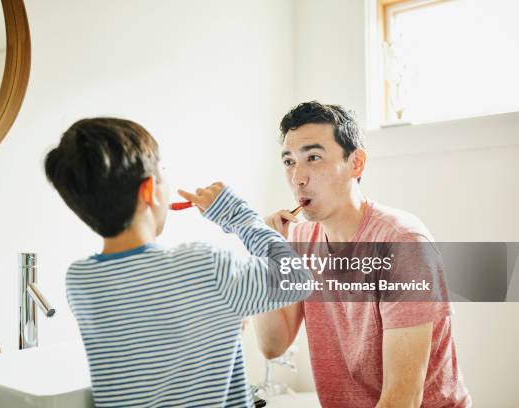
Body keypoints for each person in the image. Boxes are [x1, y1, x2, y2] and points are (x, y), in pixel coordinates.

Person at [44, 117, 310, 407]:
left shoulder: (80, 280)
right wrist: (235, 214)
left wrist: (217, 317)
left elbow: (152, 338)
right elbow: (298, 279)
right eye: (164, 172)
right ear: (148, 191)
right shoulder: (205, 265)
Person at [254, 101, 472, 407]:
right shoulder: (299, 242)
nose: (297, 177)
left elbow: (402, 400)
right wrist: (265, 254)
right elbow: (272, 345)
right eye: (289, 162)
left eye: (313, 158)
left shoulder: (402, 243)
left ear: (356, 163)